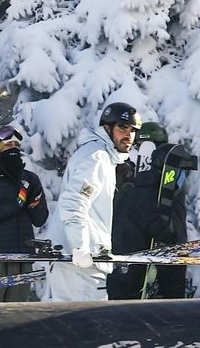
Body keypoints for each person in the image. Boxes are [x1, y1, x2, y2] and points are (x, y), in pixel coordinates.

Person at [42, 102, 141, 301]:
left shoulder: (100, 155)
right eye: (122, 128)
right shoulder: (97, 157)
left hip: (81, 260)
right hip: (78, 262)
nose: (128, 135)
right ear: (107, 128)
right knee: (84, 324)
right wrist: (80, 248)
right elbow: (74, 202)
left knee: (73, 325)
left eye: (133, 130)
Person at [109, 138, 198, 300]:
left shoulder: (140, 188)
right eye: (182, 171)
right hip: (136, 268)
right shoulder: (149, 191)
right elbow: (158, 225)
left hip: (128, 267)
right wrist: (172, 238)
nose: (184, 175)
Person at [0, 125, 49, 302]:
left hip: (23, 254)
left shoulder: (30, 179)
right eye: (8, 146)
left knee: (17, 309)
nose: (14, 149)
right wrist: (18, 202)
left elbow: (39, 219)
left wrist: (34, 202)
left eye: (16, 145)